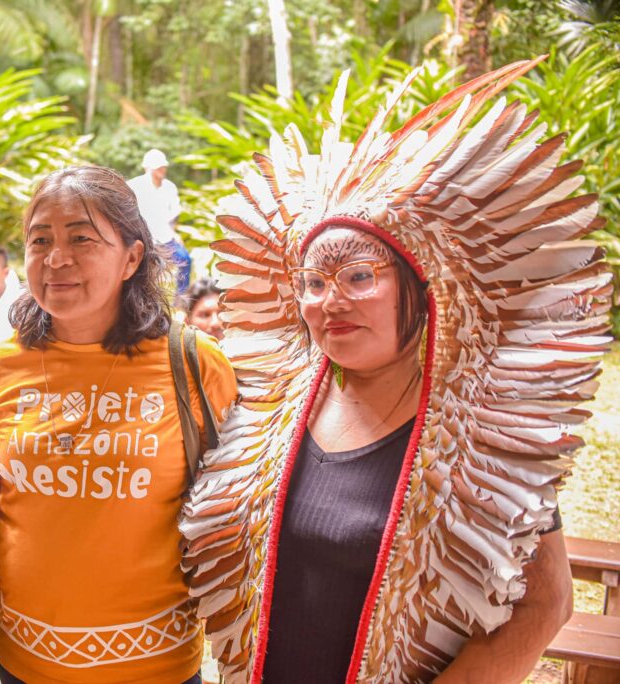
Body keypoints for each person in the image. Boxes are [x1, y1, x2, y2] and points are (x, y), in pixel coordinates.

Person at [182, 60, 608, 683]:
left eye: (359, 276)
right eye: (314, 283)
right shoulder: (270, 406)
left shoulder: (480, 431)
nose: (331, 301)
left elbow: (547, 604)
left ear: (420, 288)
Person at [0, 165, 238, 683]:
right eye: (40, 240)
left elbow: (236, 510)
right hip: (24, 663)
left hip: (158, 667)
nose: (56, 258)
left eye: (81, 238)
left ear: (132, 258)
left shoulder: (194, 363)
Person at [128, 148, 190, 294]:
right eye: (158, 167)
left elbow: (174, 215)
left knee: (184, 259)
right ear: (148, 168)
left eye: (163, 167)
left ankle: (181, 298)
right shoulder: (134, 186)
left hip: (165, 238)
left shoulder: (170, 187)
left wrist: (174, 233)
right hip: (143, 239)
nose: (162, 170)